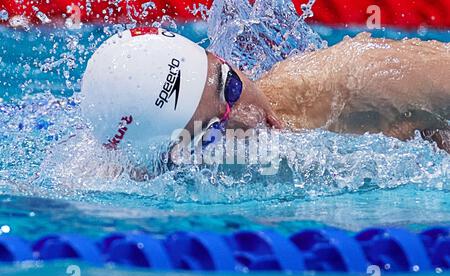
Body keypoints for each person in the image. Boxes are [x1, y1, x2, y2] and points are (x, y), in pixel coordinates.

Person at [80, 27, 449, 179]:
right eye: (211, 134)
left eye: (231, 88)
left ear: (218, 58)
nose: (250, 119)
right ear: (172, 157)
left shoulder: (355, 79)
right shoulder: (150, 173)